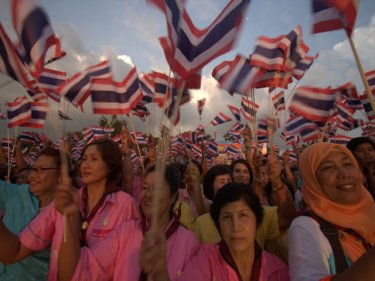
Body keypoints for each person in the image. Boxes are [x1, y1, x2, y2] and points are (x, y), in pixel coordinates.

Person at [0, 139, 140, 281]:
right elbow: (15, 252)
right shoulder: (64, 201)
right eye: (84, 159)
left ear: (110, 166)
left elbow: (130, 265)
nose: (86, 165)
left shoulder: (125, 204)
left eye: (94, 159)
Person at [56, 164, 200, 281]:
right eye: (144, 188)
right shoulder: (125, 232)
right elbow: (78, 271)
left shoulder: (190, 243)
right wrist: (69, 219)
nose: (148, 194)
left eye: (157, 188)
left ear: (173, 196)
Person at [141, 184, 290, 281]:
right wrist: (160, 272)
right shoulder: (206, 260)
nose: (235, 226)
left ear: (257, 222)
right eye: (226, 217)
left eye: (243, 215)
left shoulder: (277, 271)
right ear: (218, 225)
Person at [288, 142, 375, 281]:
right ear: (312, 180)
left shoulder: (371, 214)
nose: (344, 174)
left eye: (348, 164)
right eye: (328, 167)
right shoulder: (306, 226)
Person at [0, 147, 62, 281]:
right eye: (34, 169)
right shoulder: (17, 194)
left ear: (60, 175)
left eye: (42, 170)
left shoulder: (65, 212)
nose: (33, 175)